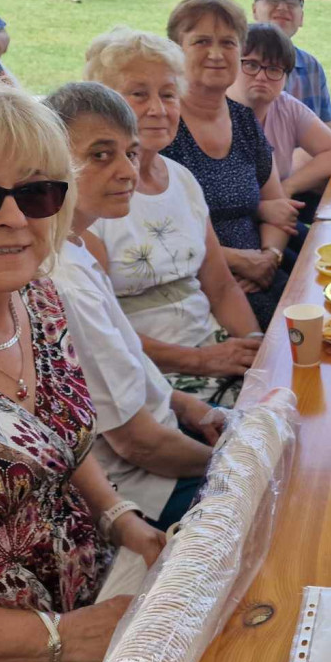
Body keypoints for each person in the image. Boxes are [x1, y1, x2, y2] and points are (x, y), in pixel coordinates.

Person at [0, 73, 165, 662]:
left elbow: (59, 437)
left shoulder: (38, 298)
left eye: (37, 193)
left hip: (105, 607)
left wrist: (119, 518)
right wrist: (58, 638)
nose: (12, 218)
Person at [46, 82, 221, 530]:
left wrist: (185, 405)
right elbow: (138, 445)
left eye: (130, 152)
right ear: (45, 161)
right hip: (150, 491)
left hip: (169, 443)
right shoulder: (64, 282)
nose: (128, 171)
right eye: (101, 155)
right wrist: (229, 463)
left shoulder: (78, 248)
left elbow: (131, 375)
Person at [83, 26, 265, 404]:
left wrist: (256, 348)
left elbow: (221, 287)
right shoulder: (90, 200)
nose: (157, 109)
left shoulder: (181, 179)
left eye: (168, 94)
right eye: (138, 94)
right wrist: (203, 361)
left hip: (217, 353)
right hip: (150, 381)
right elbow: (102, 335)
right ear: (104, 105)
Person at [162, 0, 302, 330]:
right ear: (175, 51)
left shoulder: (242, 120)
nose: (216, 54)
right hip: (200, 289)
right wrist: (240, 261)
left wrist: (270, 257)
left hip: (264, 273)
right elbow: (157, 239)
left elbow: (277, 207)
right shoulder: (161, 127)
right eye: (201, 41)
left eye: (228, 42)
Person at [229, 22, 331, 223]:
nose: (261, 76)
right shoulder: (215, 112)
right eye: (251, 64)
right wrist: (264, 207)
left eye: (274, 69)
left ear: (286, 77)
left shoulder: (286, 107)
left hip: (277, 219)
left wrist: (289, 187)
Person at [252, 0, 331, 138]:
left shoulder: (310, 66)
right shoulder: (236, 66)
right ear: (254, 10)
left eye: (292, 1)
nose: (283, 7)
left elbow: (329, 128)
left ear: (301, 18)